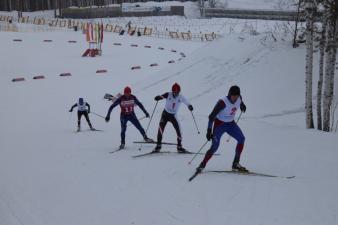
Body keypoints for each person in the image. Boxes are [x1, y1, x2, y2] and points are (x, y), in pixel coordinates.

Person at [196, 85, 247, 173]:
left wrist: (243, 106)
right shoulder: (222, 102)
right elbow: (211, 116)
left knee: (241, 139)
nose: (235, 98)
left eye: (237, 96)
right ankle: (202, 164)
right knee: (215, 147)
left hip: (231, 124)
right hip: (220, 125)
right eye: (233, 96)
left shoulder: (239, 98)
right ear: (229, 94)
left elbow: (241, 102)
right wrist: (209, 130)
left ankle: (236, 163)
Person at [153, 83, 194, 153]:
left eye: (178, 92)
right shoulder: (168, 94)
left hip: (173, 116)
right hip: (165, 114)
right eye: (175, 92)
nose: (176, 93)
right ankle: (158, 146)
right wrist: (158, 97)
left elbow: (187, 102)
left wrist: (190, 106)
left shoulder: (181, 97)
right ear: (172, 91)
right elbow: (162, 96)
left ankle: (179, 147)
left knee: (179, 131)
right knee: (160, 129)